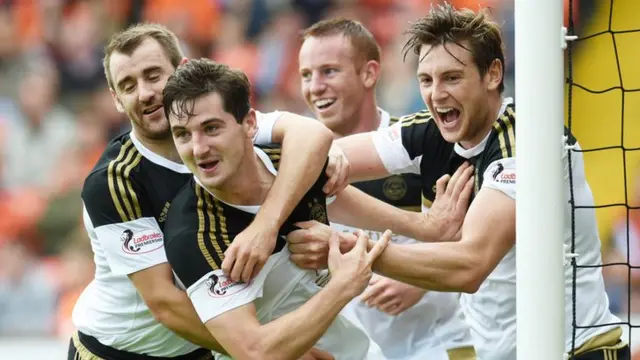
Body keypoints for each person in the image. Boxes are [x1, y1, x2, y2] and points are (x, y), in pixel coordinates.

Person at [288, 4, 629, 360]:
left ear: (493, 74)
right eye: (426, 80)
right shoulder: (429, 132)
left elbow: (470, 265)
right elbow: (312, 160)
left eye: (452, 77)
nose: (436, 94)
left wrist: (348, 248)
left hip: (578, 351)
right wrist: (293, 146)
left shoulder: (526, 141)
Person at [69, 22, 350, 359]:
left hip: (204, 347)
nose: (144, 93)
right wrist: (273, 350)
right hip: (121, 351)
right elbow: (166, 304)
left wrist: (267, 224)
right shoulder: (114, 181)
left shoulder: (207, 123)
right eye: (128, 86)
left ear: (182, 70)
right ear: (116, 99)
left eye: (153, 75)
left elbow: (311, 136)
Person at [161, 58, 390, 360]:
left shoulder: (290, 163)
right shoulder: (193, 234)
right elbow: (255, 352)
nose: (198, 148)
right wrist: (344, 286)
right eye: (183, 135)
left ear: (250, 124)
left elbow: (321, 151)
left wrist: (424, 226)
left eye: (212, 128)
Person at [297, 18, 476, 360]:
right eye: (306, 75)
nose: (315, 86)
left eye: (329, 71)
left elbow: (474, 237)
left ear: (368, 73)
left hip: (436, 343)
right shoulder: (298, 164)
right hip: (353, 352)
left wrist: (419, 280)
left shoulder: (424, 143)